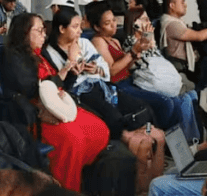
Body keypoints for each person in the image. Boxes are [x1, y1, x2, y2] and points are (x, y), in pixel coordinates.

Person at [2, 13, 108, 192]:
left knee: (100, 130)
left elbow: (61, 85)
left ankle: (74, 176)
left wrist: (72, 71)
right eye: (39, 31)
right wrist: (65, 69)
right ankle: (64, 193)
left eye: (44, 30)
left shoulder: (41, 54)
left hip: (60, 106)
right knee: (74, 140)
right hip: (39, 113)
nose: (44, 35)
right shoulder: (14, 57)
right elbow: (32, 89)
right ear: (24, 32)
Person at [92, 3, 201, 143]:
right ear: (97, 27)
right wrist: (133, 52)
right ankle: (165, 139)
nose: (114, 25)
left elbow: (127, 65)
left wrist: (137, 53)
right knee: (167, 103)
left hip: (131, 79)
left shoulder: (114, 41)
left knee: (179, 100)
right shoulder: (99, 41)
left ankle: (181, 141)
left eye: (114, 20)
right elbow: (111, 71)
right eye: (108, 23)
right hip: (119, 85)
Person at [44, 8, 152, 142]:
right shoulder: (50, 54)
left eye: (80, 26)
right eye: (75, 27)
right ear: (62, 29)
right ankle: (130, 142)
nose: (80, 31)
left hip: (101, 85)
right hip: (81, 94)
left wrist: (97, 70)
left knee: (143, 108)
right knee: (115, 118)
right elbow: (59, 85)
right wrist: (71, 63)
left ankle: (148, 135)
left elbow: (105, 68)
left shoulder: (84, 43)